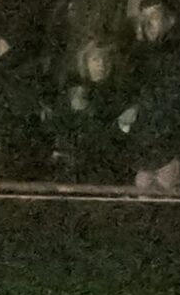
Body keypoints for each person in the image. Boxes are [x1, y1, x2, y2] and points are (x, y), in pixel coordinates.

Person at [123, 0, 180, 195]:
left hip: (172, 152)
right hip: (148, 153)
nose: (148, 23)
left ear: (170, 19)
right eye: (144, 18)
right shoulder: (142, 56)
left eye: (154, 17)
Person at [51, 38, 133, 185]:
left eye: (106, 59)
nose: (101, 64)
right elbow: (62, 127)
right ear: (86, 63)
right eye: (95, 59)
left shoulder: (118, 94)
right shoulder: (73, 93)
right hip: (74, 164)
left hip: (105, 164)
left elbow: (118, 132)